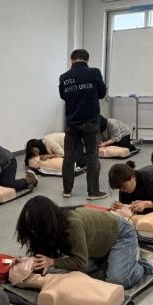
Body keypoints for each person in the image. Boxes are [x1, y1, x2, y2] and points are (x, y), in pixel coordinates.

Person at [15, 195, 153, 289]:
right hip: (98, 244)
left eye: (34, 227)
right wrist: (28, 262)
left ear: (45, 223)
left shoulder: (71, 225)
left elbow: (79, 261)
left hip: (122, 235)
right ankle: (113, 259)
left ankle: (143, 264)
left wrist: (53, 261)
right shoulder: (49, 226)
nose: (32, 231)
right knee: (61, 271)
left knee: (117, 280)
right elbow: (44, 256)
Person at [59, 49, 108, 200]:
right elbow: (102, 93)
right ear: (87, 60)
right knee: (92, 156)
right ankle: (93, 192)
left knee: (69, 157)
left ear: (71, 60)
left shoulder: (64, 77)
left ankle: (67, 190)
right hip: (91, 122)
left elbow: (63, 96)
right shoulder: (94, 73)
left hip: (72, 122)